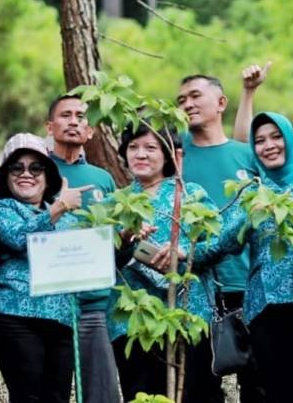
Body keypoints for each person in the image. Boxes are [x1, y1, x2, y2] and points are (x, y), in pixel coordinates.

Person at [195, 112, 293, 402]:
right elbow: (222, 243)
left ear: (291, 140)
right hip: (266, 309)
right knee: (276, 392)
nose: (268, 145)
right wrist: (184, 254)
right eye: (259, 141)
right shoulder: (252, 195)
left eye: (276, 137)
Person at [108, 123, 221, 402]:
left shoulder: (191, 194)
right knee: (142, 392)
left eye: (150, 147)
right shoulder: (116, 202)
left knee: (197, 392)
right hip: (134, 323)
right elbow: (100, 262)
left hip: (187, 315)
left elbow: (217, 243)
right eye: (133, 147)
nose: (140, 154)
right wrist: (122, 238)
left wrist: (181, 251)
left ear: (168, 154)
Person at [0, 133, 91, 403]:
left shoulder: (68, 216)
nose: (26, 174)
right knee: (28, 397)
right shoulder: (3, 209)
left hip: (61, 320)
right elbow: (19, 239)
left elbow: (90, 261)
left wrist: (124, 239)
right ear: (7, 176)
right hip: (16, 317)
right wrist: (58, 209)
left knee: (57, 398)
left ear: (47, 177)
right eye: (17, 167)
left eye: (35, 168)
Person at [176, 74, 261, 401]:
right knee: (200, 385)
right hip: (197, 289)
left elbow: (244, 140)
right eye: (181, 100)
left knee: (258, 383)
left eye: (195, 96)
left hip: (249, 285)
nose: (187, 104)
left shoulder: (247, 154)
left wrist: (249, 92)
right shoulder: (176, 154)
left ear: (221, 103)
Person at [45, 94, 120, 402]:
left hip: (94, 306)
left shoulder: (102, 179)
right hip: (49, 307)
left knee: (100, 394)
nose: (73, 121)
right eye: (65, 115)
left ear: (90, 132)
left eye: (80, 116)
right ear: (50, 126)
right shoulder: (35, 172)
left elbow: (115, 241)